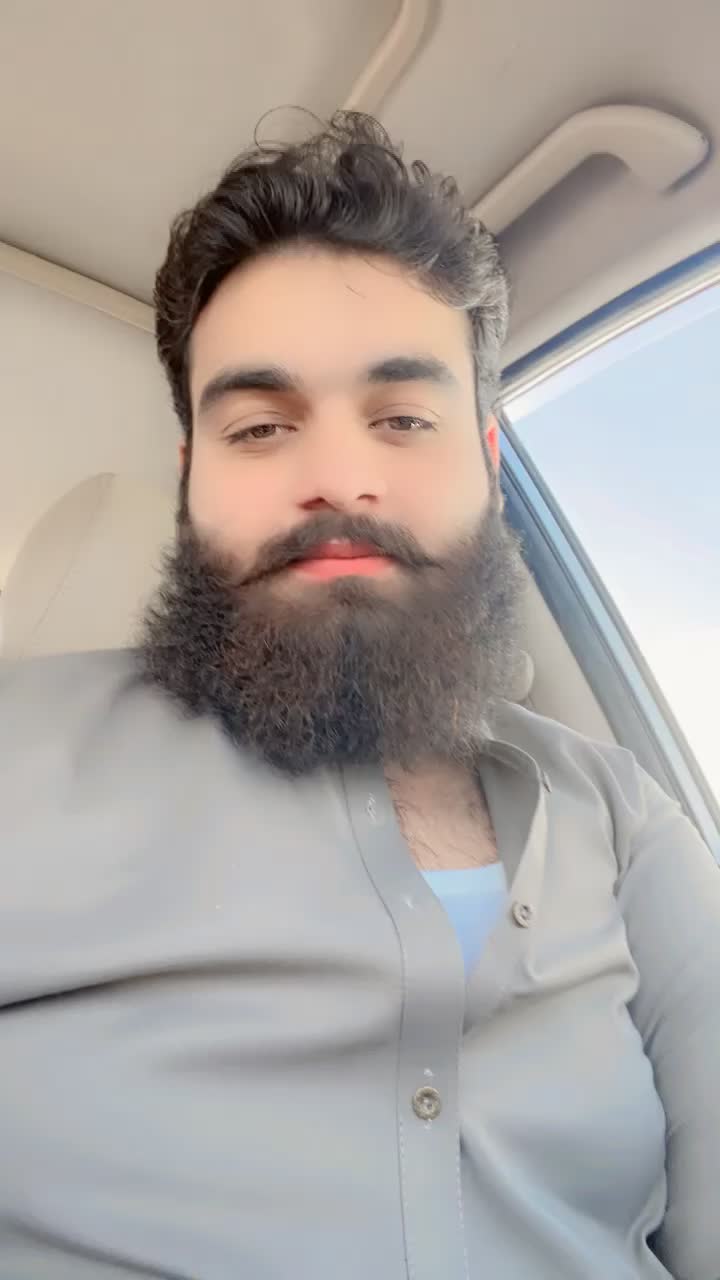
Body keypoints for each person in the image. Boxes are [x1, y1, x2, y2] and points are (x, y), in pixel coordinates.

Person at [1, 112, 718, 1280]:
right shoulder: (15, 754)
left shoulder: (626, 818)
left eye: (402, 419)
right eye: (260, 426)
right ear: (191, 484)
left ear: (489, 465)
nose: (337, 477)